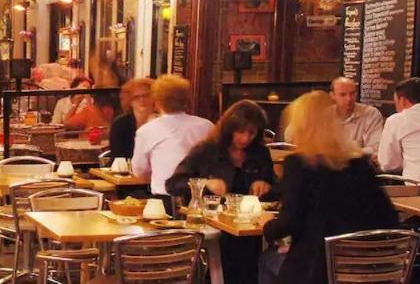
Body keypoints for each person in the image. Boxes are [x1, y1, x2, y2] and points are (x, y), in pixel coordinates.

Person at [261, 91, 398, 284]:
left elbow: (291, 220)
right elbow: (389, 217)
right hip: (369, 268)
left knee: (267, 261)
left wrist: (267, 229)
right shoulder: (359, 162)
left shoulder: (300, 163)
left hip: (321, 270)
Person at [167, 100, 276, 284]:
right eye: (241, 131)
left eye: (252, 133)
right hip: (214, 230)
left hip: (249, 230)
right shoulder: (206, 151)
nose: (245, 138)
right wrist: (206, 183)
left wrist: (266, 185)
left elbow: (278, 189)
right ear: (230, 128)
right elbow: (172, 184)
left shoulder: (259, 154)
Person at [131, 75, 213, 201]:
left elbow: (139, 171)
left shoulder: (147, 130)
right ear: (186, 100)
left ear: (157, 101)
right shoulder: (207, 126)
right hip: (203, 197)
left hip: (164, 202)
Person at [110, 77, 155, 160]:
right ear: (130, 101)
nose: (142, 100)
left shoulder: (161, 122)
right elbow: (117, 156)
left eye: (146, 95)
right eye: (136, 97)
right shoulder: (120, 124)